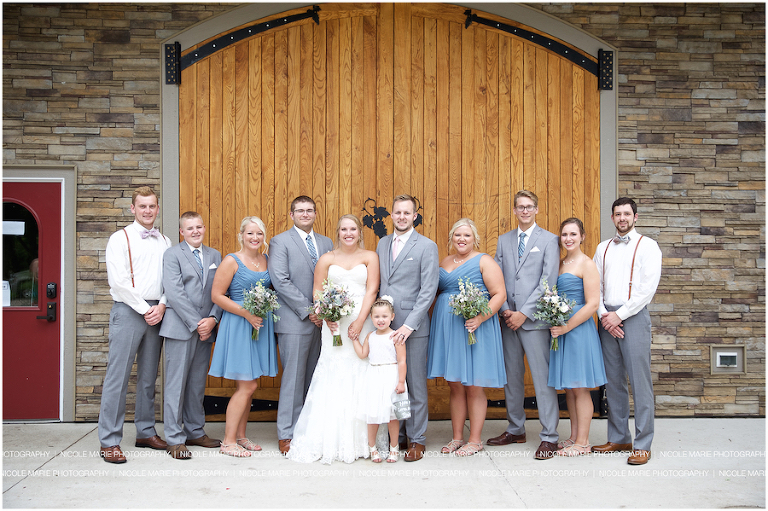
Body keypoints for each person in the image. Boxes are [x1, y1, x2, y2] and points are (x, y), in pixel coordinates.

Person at [287, 214, 380, 464]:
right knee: (333, 372)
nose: (348, 233)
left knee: (360, 371)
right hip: (334, 325)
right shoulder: (327, 258)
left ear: (359, 232)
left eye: (352, 229)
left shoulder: (370, 256)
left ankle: (363, 440)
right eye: (343, 229)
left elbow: (372, 289)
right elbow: (318, 290)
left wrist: (361, 320)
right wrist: (325, 315)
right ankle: (330, 439)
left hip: (361, 319)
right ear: (337, 232)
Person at [99, 186, 172, 464]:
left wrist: (162, 304)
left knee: (148, 377)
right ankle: (109, 441)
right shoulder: (120, 239)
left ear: (157, 208)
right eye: (142, 206)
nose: (147, 211)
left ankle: (145, 431)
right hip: (130, 310)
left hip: (157, 310)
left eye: (152, 206)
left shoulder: (164, 240)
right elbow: (118, 281)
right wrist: (146, 309)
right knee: (117, 378)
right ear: (132, 208)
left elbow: (170, 279)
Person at [487, 190, 561, 460]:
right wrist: (506, 311)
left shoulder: (550, 240)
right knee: (512, 379)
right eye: (520, 207)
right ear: (515, 210)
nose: (525, 211)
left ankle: (550, 436)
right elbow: (497, 278)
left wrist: (524, 313)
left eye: (529, 207)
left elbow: (547, 281)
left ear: (537, 210)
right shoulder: (504, 240)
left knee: (542, 380)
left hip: (534, 321)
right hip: (508, 320)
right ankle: (516, 428)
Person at [427, 218, 507, 456]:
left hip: (474, 327)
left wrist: (480, 318)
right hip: (448, 327)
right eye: (457, 235)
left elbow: (499, 294)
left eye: (467, 236)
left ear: (475, 239)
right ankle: (457, 437)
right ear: (452, 238)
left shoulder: (484, 261)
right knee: (455, 385)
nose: (461, 239)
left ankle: (475, 439)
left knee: (473, 384)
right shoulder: (445, 261)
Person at [592, 198, 662, 465]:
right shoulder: (603, 248)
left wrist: (619, 316)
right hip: (606, 316)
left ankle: (643, 444)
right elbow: (595, 284)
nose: (622, 218)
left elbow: (647, 289)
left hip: (632, 316)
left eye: (626, 214)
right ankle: (620, 436)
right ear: (612, 218)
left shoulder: (649, 246)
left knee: (639, 381)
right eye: (617, 214)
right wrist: (603, 315)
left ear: (635, 217)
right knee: (613, 381)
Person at [208, 216, 278, 457]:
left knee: (249, 384)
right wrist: (246, 313)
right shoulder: (231, 261)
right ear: (241, 235)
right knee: (248, 385)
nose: (255, 238)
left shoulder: (266, 259)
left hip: (259, 325)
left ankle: (241, 436)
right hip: (238, 324)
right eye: (250, 233)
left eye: (259, 234)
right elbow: (217, 296)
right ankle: (228, 442)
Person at [376, 194, 439, 462]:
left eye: (407, 213)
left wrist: (409, 326)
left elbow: (428, 290)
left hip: (412, 328)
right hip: (384, 328)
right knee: (392, 384)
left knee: (414, 384)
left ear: (415, 216)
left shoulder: (426, 246)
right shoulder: (381, 243)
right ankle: (397, 435)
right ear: (391, 215)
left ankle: (417, 439)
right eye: (397, 212)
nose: (401, 217)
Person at [268, 196, 333, 455]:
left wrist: (328, 311)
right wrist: (309, 311)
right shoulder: (280, 241)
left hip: (324, 324)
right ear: (291, 214)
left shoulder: (327, 243)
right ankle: (287, 433)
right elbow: (280, 280)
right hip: (295, 320)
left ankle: (310, 429)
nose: (305, 214)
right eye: (300, 210)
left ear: (316, 213)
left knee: (316, 378)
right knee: (293, 379)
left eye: (309, 210)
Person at [159, 211, 223, 460]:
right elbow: (174, 292)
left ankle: (195, 431)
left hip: (206, 329)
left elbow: (221, 290)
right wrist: (197, 323)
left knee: (197, 384)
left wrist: (213, 319)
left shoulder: (215, 255)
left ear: (204, 228)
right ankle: (175, 439)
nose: (195, 231)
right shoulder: (172, 255)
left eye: (199, 227)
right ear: (181, 232)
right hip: (180, 327)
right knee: (176, 385)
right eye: (190, 228)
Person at [546, 218, 607, 456]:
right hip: (561, 330)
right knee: (569, 388)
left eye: (573, 234)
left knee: (580, 387)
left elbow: (592, 304)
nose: (568, 239)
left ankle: (583, 442)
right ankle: (573, 435)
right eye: (564, 235)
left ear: (582, 236)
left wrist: (567, 327)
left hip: (578, 330)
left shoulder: (586, 264)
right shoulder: (560, 263)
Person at [352, 296, 407, 463]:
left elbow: (402, 360)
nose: (380, 320)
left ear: (392, 316)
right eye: (376, 316)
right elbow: (363, 354)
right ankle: (372, 448)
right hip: (374, 377)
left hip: (391, 377)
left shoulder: (396, 337)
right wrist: (354, 339)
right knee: (372, 415)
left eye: (384, 316)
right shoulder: (370, 336)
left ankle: (394, 447)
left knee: (392, 416)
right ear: (371, 318)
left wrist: (401, 382)